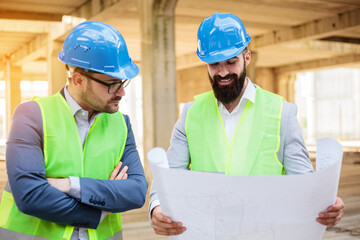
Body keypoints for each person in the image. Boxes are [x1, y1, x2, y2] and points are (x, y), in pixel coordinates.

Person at [149, 12, 344, 236]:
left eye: (231, 62)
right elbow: (169, 177)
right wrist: (156, 207)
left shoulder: (282, 113)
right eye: (214, 64)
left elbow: (304, 185)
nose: (222, 72)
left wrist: (326, 206)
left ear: (247, 58)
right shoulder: (190, 114)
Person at [0, 21, 148, 240]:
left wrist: (69, 184)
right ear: (78, 80)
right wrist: (98, 211)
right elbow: (30, 195)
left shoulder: (121, 124)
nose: (121, 93)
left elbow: (136, 192)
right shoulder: (31, 115)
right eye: (112, 84)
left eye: (122, 82)